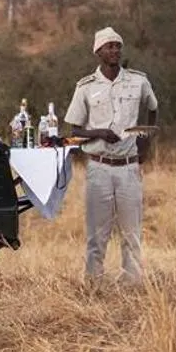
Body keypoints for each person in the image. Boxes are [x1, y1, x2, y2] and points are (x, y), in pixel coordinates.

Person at [62, 27, 158, 285]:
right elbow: (75, 130)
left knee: (132, 231)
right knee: (97, 233)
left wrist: (145, 142)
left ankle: (132, 284)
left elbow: (153, 108)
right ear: (98, 52)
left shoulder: (138, 81)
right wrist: (100, 133)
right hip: (99, 167)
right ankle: (93, 283)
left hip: (128, 167)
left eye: (118, 46)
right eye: (109, 46)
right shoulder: (85, 87)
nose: (115, 50)